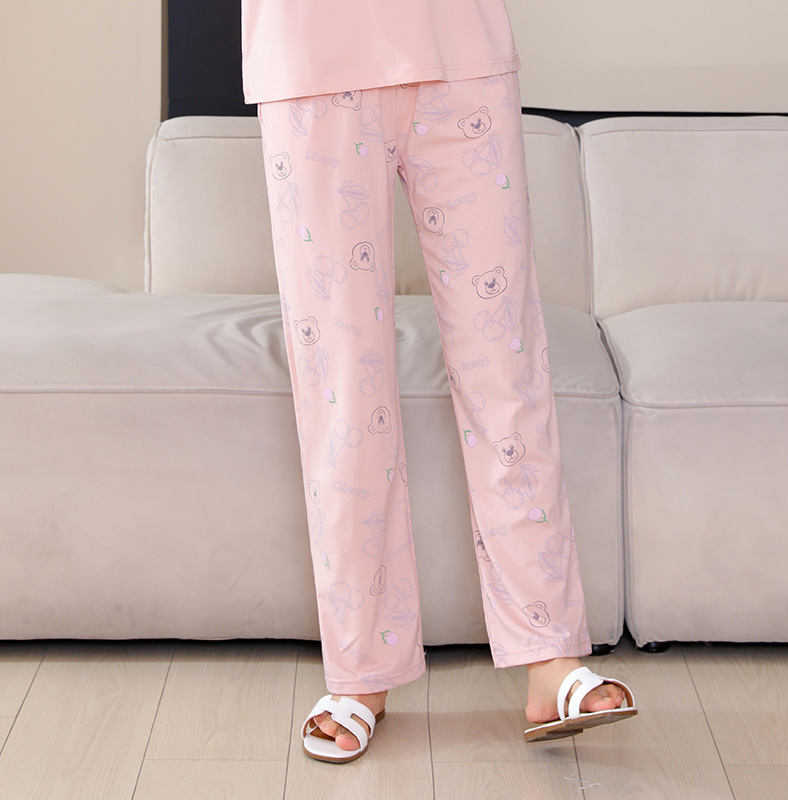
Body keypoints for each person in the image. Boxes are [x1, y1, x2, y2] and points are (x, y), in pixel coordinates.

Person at [241, 0, 637, 763]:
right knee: (343, 391)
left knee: (506, 371)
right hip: (311, 61)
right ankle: (362, 671)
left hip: (461, 53)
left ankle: (550, 656)